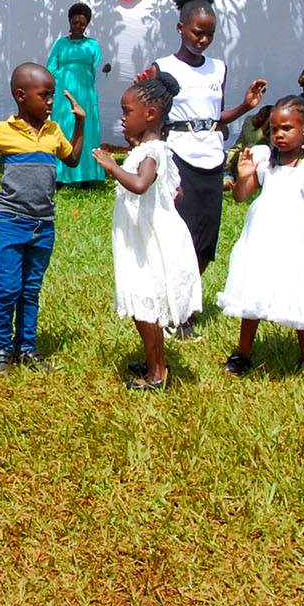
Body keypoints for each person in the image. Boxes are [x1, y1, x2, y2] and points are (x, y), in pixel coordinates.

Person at [148, 0, 266, 337]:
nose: (202, 40)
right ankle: (172, 311)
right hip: (179, 155)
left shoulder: (218, 68)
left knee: (206, 240)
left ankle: (185, 300)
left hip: (212, 158)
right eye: (198, 32)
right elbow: (153, 114)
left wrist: (244, 107)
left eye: (209, 35)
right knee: (179, 235)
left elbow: (216, 118)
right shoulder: (163, 66)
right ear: (181, 27)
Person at [0, 63, 85, 374]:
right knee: (9, 288)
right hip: (12, 222)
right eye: (45, 95)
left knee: (30, 289)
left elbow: (74, 159)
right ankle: (1, 350)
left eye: (52, 95)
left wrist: (80, 125)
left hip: (44, 224)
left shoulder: (53, 131)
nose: (51, 101)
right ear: (21, 96)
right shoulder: (4, 131)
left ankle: (26, 347)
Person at [218, 97, 304, 374]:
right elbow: (241, 197)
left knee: (301, 289)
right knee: (254, 289)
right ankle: (243, 353)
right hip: (263, 234)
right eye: (274, 129)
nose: (279, 135)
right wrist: (244, 177)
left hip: (302, 236)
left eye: (287, 128)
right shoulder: (263, 160)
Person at [91, 72, 204, 391]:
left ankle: (157, 374)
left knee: (145, 303)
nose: (123, 119)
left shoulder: (151, 152)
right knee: (145, 304)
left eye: (127, 112)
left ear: (150, 114)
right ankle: (154, 359)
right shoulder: (157, 150)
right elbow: (176, 192)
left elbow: (141, 185)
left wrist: (111, 166)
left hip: (149, 241)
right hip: (146, 234)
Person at [48, 2, 109, 185]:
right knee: (63, 130)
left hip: (85, 95)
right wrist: (50, 93)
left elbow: (98, 68)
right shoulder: (60, 43)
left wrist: (106, 68)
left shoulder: (93, 45)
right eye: (75, 23)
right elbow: (51, 68)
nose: (78, 26)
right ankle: (60, 176)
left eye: (82, 24)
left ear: (87, 25)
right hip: (62, 95)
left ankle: (86, 176)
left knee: (87, 132)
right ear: (69, 21)